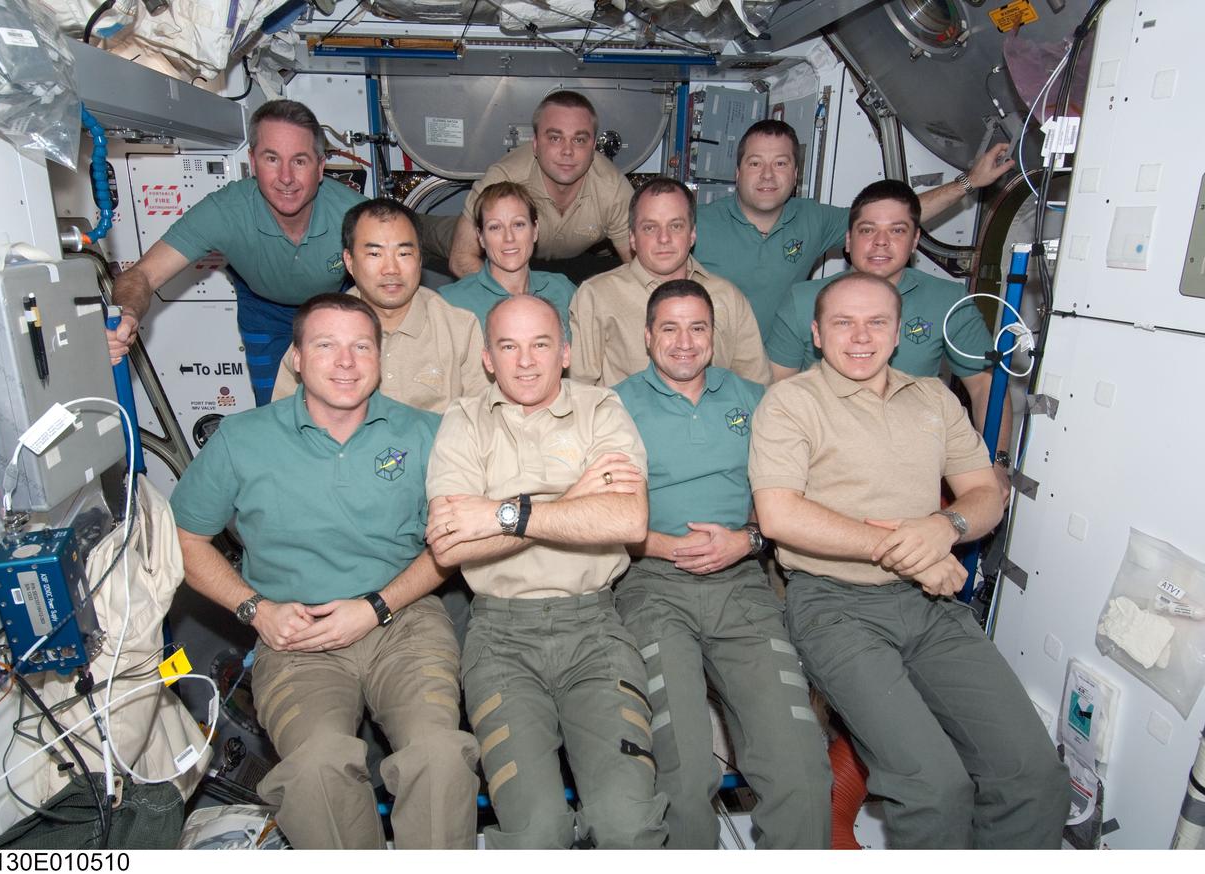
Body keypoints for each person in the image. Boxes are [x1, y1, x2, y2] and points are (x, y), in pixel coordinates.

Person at [748, 272, 1070, 849]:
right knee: (934, 788)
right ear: (817, 334)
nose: (861, 336)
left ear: (898, 333)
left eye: (877, 322)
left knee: (1034, 776)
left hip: (931, 607)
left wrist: (942, 527)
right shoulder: (790, 404)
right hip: (835, 607)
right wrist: (911, 554)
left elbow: (985, 495)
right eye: (843, 322)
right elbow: (779, 516)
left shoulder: (933, 398)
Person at [170, 293, 479, 849]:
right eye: (326, 345)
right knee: (316, 765)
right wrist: (255, 610)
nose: (346, 361)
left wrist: (377, 606)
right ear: (295, 358)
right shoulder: (243, 441)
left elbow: (452, 543)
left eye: (361, 346)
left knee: (439, 753)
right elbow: (183, 538)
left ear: (380, 359)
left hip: (403, 621)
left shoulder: (427, 435)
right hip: (295, 636)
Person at [425, 295, 667, 849]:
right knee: (536, 831)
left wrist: (503, 512)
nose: (526, 361)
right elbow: (451, 544)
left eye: (540, 344)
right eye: (509, 346)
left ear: (565, 352)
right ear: (488, 358)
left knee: (627, 822)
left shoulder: (601, 408)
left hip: (595, 632)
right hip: (499, 641)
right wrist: (575, 497)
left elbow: (628, 519)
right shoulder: (463, 421)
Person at [612, 279, 832, 849]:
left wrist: (748, 541)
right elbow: (598, 515)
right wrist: (659, 546)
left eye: (698, 328)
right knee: (682, 765)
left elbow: (782, 499)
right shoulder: (612, 406)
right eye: (670, 328)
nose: (684, 342)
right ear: (647, 336)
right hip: (650, 584)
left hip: (741, 583)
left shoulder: (755, 401)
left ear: (714, 336)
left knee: (800, 763)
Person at [107, 99, 366, 405]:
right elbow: (143, 275)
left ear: (320, 167)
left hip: (337, 306)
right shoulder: (225, 211)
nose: (285, 177)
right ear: (253, 162)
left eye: (299, 161)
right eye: (272, 159)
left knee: (347, 401)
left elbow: (401, 253)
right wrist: (126, 314)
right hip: (265, 310)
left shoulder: (353, 213)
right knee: (273, 412)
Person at [767, 179, 1013, 490]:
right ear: (848, 239)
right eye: (868, 230)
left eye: (897, 231)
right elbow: (777, 389)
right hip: (819, 463)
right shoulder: (803, 300)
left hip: (910, 464)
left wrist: (997, 460)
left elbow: (984, 386)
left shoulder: (948, 301)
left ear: (915, 241)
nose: (881, 242)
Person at [692, 119, 1016, 338]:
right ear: (737, 172)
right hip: (714, 373)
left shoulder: (812, 219)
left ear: (795, 175)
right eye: (755, 163)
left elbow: (885, 220)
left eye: (780, 163)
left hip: (783, 370)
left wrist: (969, 182)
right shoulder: (698, 224)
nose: (767, 175)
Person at [271, 199, 487, 413]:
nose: (391, 269)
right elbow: (283, 419)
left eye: (403, 253)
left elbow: (482, 421)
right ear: (349, 261)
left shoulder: (459, 329)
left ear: (420, 259)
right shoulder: (319, 329)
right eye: (375, 254)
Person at [569, 177, 771, 387]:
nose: (663, 238)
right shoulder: (597, 296)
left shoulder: (728, 297)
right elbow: (578, 391)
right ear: (631, 237)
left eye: (675, 226)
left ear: (692, 234)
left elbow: (756, 387)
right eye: (650, 228)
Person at [447, 91, 634, 278]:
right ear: (535, 144)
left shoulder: (613, 189)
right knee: (430, 233)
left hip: (583, 250)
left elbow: (640, 270)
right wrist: (519, 300)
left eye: (579, 140)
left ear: (593, 148)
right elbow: (461, 258)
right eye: (555, 138)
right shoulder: (506, 178)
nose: (567, 151)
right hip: (494, 242)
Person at [437, 181, 576, 331]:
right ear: (481, 237)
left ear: (535, 230)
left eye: (518, 224)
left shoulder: (562, 290)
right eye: (495, 227)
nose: (509, 237)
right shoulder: (450, 302)